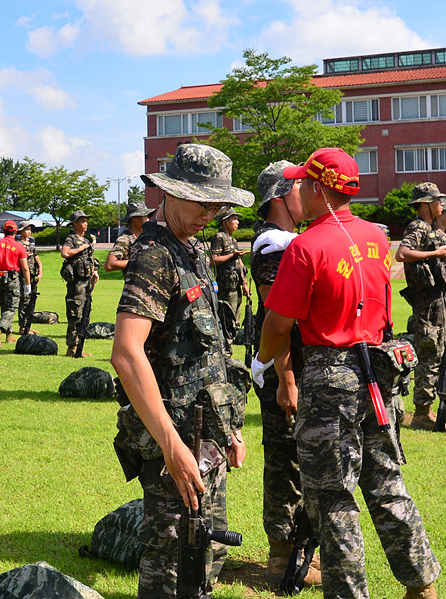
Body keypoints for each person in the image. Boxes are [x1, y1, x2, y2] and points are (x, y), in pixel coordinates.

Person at [253, 148, 440, 599]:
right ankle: (422, 586)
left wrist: (262, 362)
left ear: (317, 188)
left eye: (301, 183)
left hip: (328, 377)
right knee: (387, 484)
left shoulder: (305, 245)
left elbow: (279, 323)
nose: (296, 189)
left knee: (333, 499)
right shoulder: (377, 237)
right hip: (377, 374)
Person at [111, 143, 251, 598]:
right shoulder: (155, 254)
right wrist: (171, 445)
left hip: (207, 434)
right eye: (202, 201)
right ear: (170, 193)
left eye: (218, 204)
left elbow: (208, 348)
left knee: (208, 554)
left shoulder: (192, 249)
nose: (211, 212)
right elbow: (127, 353)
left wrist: (229, 427)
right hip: (176, 437)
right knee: (173, 564)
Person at [250, 161, 321, 586]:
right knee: (284, 463)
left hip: (303, 368)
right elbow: (279, 320)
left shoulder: (292, 240)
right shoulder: (272, 245)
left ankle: (303, 554)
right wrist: (288, 381)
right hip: (284, 370)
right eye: (300, 188)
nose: (308, 194)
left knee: (305, 461)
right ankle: (281, 559)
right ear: (280, 194)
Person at [394, 182, 446, 430]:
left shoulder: (432, 229)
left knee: (438, 353)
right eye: (437, 200)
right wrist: (435, 254)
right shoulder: (419, 227)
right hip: (427, 303)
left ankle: (430, 407)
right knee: (430, 355)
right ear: (426, 203)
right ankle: (423, 412)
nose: (441, 204)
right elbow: (402, 253)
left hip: (438, 300)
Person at [61, 210, 99, 357]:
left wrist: (94, 272)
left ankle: (79, 346)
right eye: (82, 221)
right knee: (75, 314)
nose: (86, 223)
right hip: (76, 284)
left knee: (84, 314)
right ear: (75, 223)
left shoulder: (86, 240)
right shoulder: (71, 239)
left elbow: (91, 258)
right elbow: (64, 253)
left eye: (86, 221)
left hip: (86, 282)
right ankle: (72, 347)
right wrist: (81, 248)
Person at [210, 207, 250, 349]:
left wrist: (244, 283)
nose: (237, 222)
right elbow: (213, 259)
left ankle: (230, 349)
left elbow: (238, 263)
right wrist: (233, 255)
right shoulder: (219, 238)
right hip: (225, 288)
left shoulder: (232, 239)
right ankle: (226, 351)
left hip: (236, 286)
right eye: (234, 219)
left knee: (236, 321)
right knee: (227, 320)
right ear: (225, 221)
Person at [105, 202, 154, 274]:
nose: (148, 219)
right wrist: (138, 261)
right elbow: (109, 265)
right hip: (134, 284)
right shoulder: (125, 239)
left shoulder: (144, 237)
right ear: (134, 218)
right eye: (145, 216)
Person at [17, 220, 43, 334]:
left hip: (33, 275)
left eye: (30, 229)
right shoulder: (18, 244)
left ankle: (28, 324)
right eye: (26, 229)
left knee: (32, 300)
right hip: (22, 276)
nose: (29, 232)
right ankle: (23, 326)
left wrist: (40, 271)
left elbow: (37, 259)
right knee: (24, 300)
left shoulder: (31, 245)